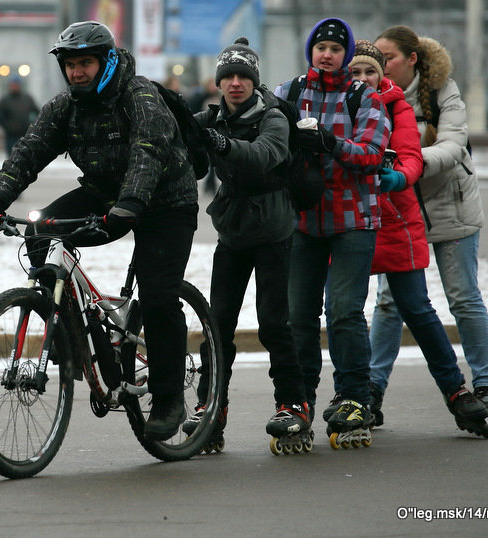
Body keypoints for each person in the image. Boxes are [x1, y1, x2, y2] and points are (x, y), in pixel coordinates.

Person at [0, 20, 199, 441]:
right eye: (71, 65)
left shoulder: (140, 96)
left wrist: (129, 205)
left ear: (106, 61)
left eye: (86, 63)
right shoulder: (66, 106)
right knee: (40, 234)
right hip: (105, 195)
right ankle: (71, 336)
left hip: (166, 204)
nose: (77, 72)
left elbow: (147, 152)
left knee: (158, 293)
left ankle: (168, 398)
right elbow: (28, 152)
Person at [325, 40, 488, 436]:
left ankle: (456, 391)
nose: (362, 79)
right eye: (356, 72)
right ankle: (355, 395)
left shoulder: (395, 105)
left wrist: (401, 174)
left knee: (416, 307)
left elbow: (411, 153)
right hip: (347, 220)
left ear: (382, 75)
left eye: (370, 72)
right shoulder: (336, 104)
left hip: (394, 219)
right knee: (344, 312)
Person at [372, 26, 488, 431]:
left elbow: (453, 144)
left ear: (412, 59)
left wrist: (408, 163)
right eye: (377, 58)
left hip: (450, 207)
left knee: (463, 297)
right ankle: (370, 389)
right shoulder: (371, 93)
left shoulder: (441, 91)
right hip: (399, 209)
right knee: (388, 303)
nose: (382, 66)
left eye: (390, 58)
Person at [184, 37, 310, 447]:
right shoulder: (212, 118)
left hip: (274, 232)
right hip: (233, 233)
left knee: (274, 323)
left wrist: (219, 143)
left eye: (243, 76)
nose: (235, 83)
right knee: (217, 326)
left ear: (253, 82)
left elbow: (262, 155)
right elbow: (177, 135)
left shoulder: (272, 117)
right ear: (218, 83)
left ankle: (293, 404)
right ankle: (211, 407)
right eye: (228, 77)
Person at [273, 18, 389, 440]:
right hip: (302, 220)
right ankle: (299, 400)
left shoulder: (364, 98)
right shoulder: (289, 92)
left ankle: (354, 397)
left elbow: (374, 155)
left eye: (335, 48)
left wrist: (331, 144)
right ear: (310, 52)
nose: (327, 53)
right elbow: (264, 139)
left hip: (354, 218)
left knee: (343, 311)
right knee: (299, 316)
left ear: (345, 55)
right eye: (320, 46)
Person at [0, 76, 39, 158]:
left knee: (25, 157)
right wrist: (7, 126)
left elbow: (37, 111)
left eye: (16, 84)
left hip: (24, 134)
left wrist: (32, 124)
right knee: (12, 158)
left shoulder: (27, 98)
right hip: (10, 135)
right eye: (13, 84)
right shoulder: (5, 100)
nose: (14, 86)